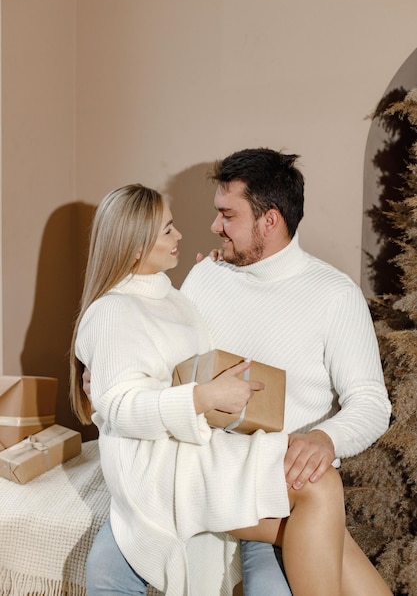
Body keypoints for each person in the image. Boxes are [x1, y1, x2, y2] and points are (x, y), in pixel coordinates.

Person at [79, 146, 393, 595]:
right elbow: (167, 356)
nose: (213, 227)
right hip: (204, 464)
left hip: (286, 481)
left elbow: (371, 403)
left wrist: (324, 440)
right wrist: (106, 379)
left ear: (270, 221)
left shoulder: (335, 296)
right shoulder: (207, 276)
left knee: (320, 502)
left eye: (227, 215)